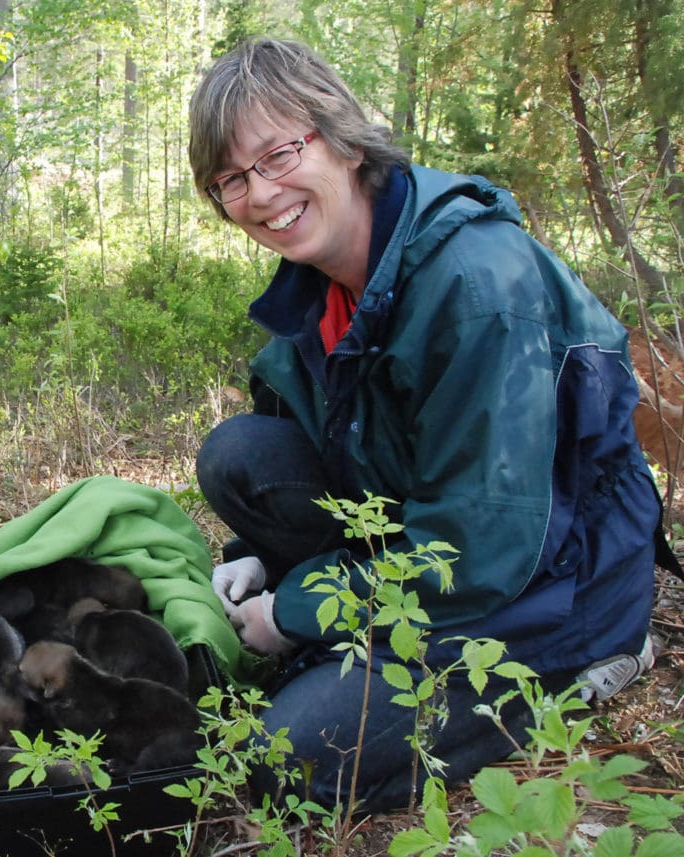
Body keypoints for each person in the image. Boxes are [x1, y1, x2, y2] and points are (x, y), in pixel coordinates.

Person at [188, 39, 661, 812]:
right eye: (231, 179)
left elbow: (481, 547)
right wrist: (258, 557)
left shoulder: (476, 284)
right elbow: (309, 442)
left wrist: (295, 608)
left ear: (342, 139)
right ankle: (351, 641)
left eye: (277, 155)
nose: (260, 194)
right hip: (440, 535)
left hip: (553, 579)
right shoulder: (317, 287)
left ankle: (593, 656)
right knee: (238, 454)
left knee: (288, 756)